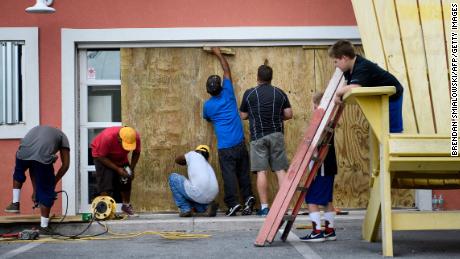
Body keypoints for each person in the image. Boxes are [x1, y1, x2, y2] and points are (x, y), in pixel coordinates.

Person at [203, 47, 255, 216]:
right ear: (221, 87)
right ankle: (248, 199)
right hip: (239, 142)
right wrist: (218, 53)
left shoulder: (208, 106)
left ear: (209, 91)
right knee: (243, 173)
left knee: (229, 177)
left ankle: (233, 204)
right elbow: (226, 69)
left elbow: (208, 119)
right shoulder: (228, 93)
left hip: (225, 147)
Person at [239, 63, 293, 217]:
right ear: (271, 77)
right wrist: (276, 116)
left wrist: (255, 115)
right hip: (276, 135)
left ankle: (264, 208)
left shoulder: (250, 94)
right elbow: (289, 114)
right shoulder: (279, 93)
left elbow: (243, 115)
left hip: (258, 137)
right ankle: (284, 206)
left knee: (262, 172)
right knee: (280, 170)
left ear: (258, 77)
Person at [4, 125, 70, 233]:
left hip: (22, 153)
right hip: (42, 156)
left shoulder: (36, 130)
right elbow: (66, 165)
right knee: (46, 191)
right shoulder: (63, 137)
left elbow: (32, 167)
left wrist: (35, 191)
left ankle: (15, 203)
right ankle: (44, 227)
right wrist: (53, 182)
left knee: (19, 172)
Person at [331, 40, 403, 133]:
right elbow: (346, 85)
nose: (335, 65)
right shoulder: (348, 70)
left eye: (335, 61)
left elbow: (355, 87)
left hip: (393, 95)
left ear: (344, 58)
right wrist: (340, 94)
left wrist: (337, 93)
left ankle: (395, 144)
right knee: (381, 130)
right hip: (380, 96)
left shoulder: (362, 66)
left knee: (393, 131)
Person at [300, 92, 338, 242]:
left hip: (322, 165)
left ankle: (317, 232)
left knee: (311, 198)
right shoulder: (329, 120)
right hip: (330, 165)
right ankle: (329, 230)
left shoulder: (321, 121)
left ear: (317, 105)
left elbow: (316, 143)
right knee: (327, 200)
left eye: (313, 105)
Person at [91, 126, 141, 216]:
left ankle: (126, 206)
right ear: (119, 138)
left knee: (126, 179)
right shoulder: (107, 137)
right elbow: (101, 156)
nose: (128, 149)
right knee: (106, 182)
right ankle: (105, 209)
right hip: (102, 156)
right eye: (126, 145)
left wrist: (132, 169)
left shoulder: (135, 136)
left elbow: (136, 152)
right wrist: (117, 169)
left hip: (120, 157)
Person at [168, 145, 219, 217]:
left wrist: (187, 159)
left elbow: (178, 160)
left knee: (172, 178)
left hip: (199, 192)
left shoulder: (193, 154)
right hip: (212, 195)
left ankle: (185, 209)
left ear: (197, 151)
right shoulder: (207, 165)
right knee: (194, 194)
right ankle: (206, 207)